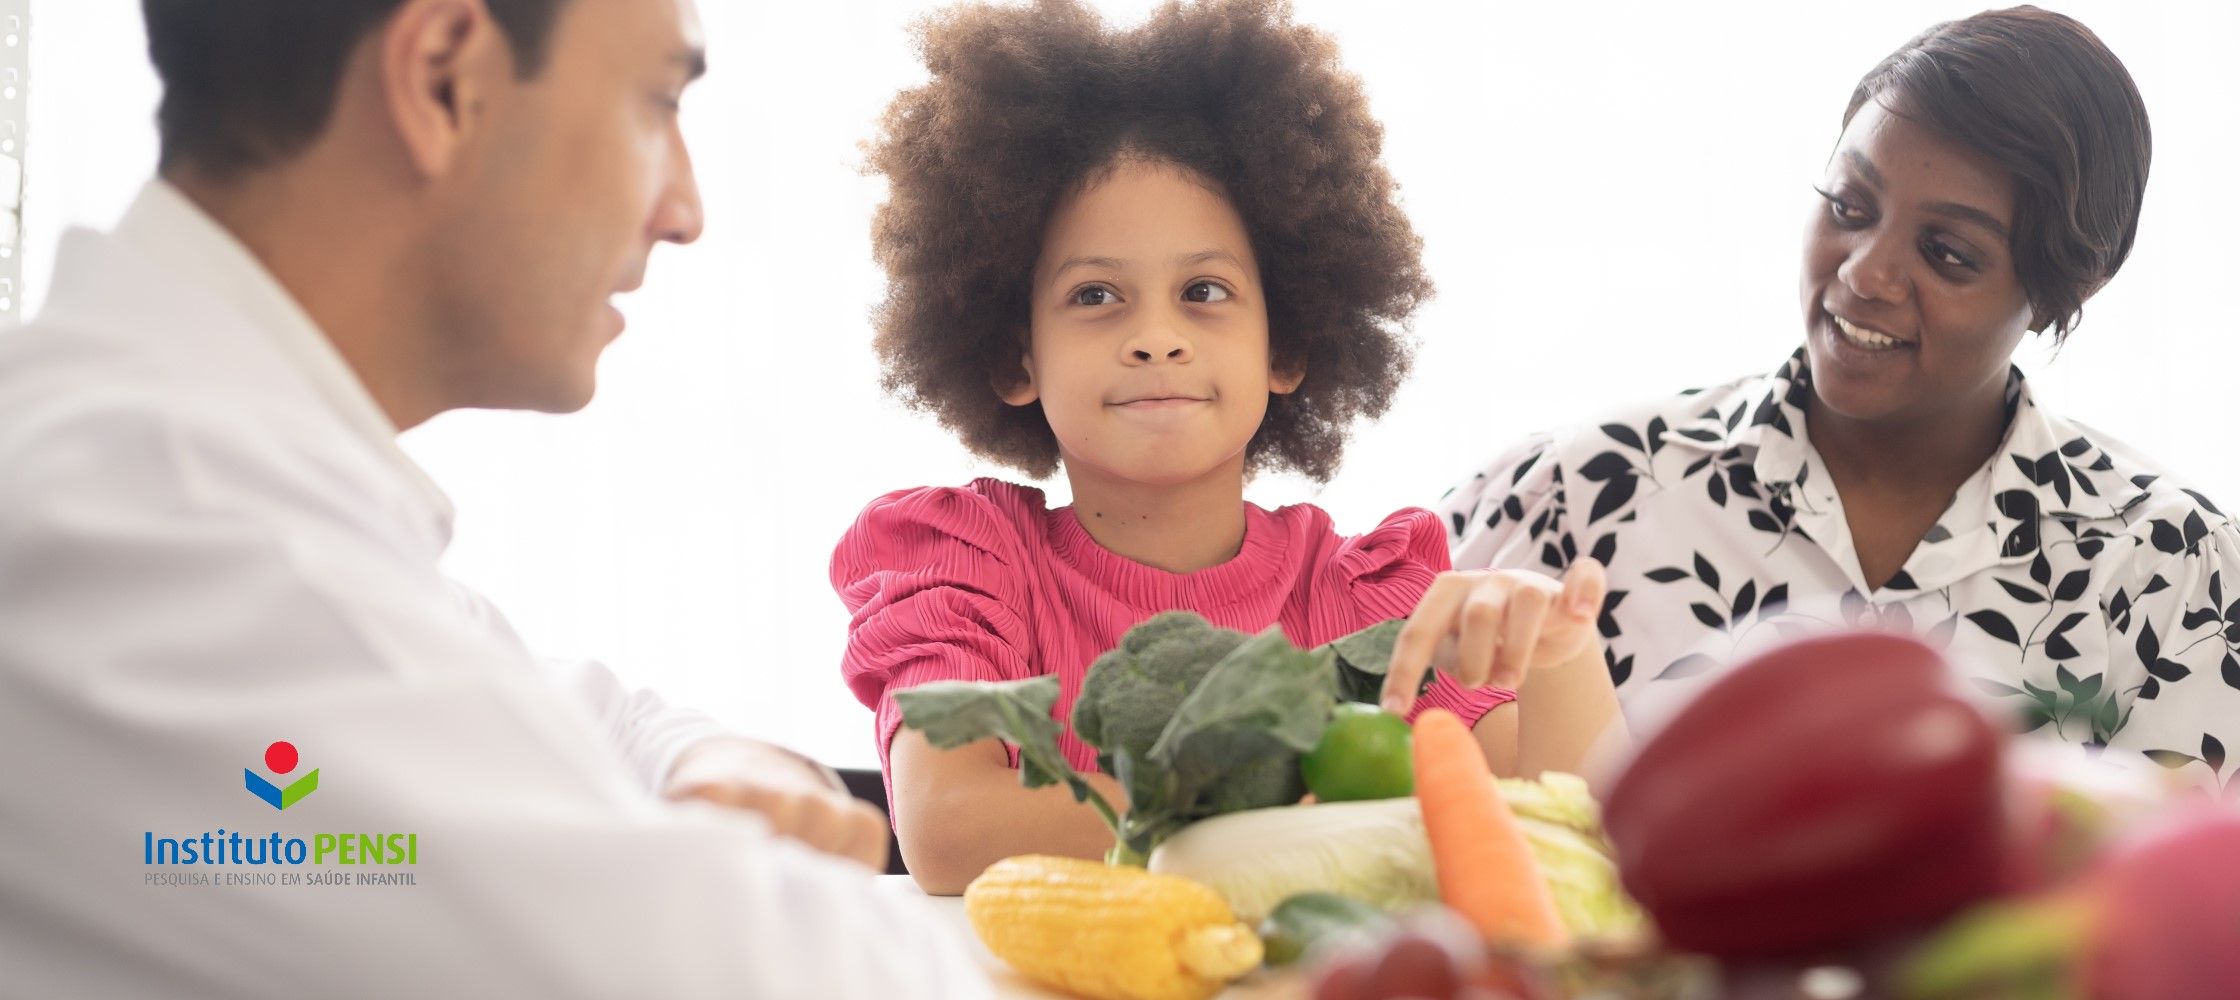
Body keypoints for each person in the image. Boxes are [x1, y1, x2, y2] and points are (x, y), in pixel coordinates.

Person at [0, 0, 989, 996]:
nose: (684, 211)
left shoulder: (184, 471)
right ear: (442, 79)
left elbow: (590, 715)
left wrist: (727, 766)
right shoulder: (169, 537)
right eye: (655, 102)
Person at [833, 0, 1621, 896]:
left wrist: (1559, 656)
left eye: (1203, 290)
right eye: (1096, 297)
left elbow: (1549, 828)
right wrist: (1301, 813)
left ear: (1284, 347)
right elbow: (952, 828)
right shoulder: (968, 567)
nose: (1157, 337)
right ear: (1018, 357)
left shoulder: (1361, 596)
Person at [1439, 7, 2239, 790]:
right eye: (1850, 208)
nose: (1865, 273)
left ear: (2065, 290)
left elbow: (2189, 896)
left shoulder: (2174, 573)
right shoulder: (1572, 493)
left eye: (1948, 253)